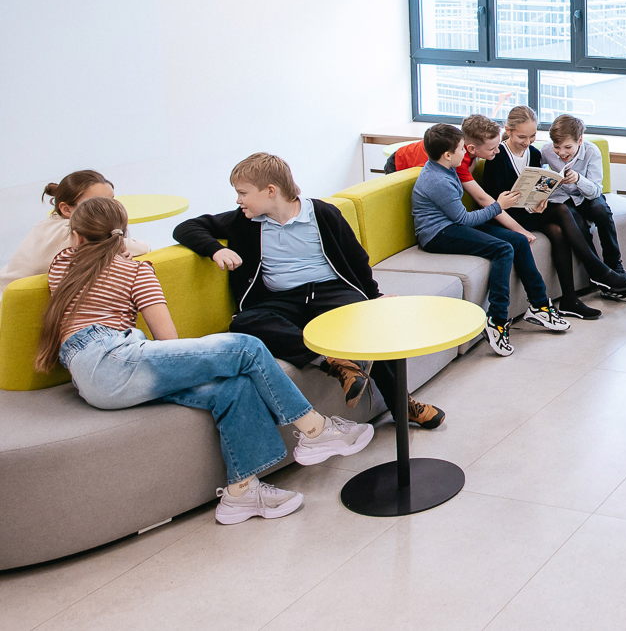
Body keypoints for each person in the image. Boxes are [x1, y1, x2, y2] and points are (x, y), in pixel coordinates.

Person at [38, 197, 374, 524]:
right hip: (113, 358)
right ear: (124, 233)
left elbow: (98, 250)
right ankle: (315, 430)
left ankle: (241, 493)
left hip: (93, 379)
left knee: (234, 388)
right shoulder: (136, 272)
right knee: (246, 347)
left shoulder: (62, 263)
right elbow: (167, 340)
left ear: (77, 237)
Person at [175, 153, 444, 430]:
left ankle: (403, 405)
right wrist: (216, 250)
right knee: (245, 322)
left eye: (243, 193)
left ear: (270, 191)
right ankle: (335, 363)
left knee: (373, 322)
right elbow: (186, 228)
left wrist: (374, 297)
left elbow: (357, 259)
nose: (238, 200)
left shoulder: (323, 214)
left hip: (330, 291)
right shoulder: (243, 220)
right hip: (279, 298)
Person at [413, 123, 569, 356]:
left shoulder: (446, 168)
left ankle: (539, 305)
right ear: (447, 155)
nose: (465, 152)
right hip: (437, 234)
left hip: (452, 225)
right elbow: (464, 219)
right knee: (502, 249)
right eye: (461, 149)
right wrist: (499, 205)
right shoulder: (438, 181)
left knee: (517, 240)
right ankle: (496, 320)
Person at [477, 106, 626, 319]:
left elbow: (535, 190)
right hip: (506, 216)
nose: (528, 141)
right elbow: (495, 202)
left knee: (558, 231)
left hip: (529, 211)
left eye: (532, 136)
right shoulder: (498, 156)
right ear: (509, 131)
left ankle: (569, 299)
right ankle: (598, 270)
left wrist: (539, 202)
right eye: (522, 136)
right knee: (561, 210)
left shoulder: (534, 154)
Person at [3, 171, 152, 288]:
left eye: (111, 200)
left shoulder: (48, 224)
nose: (109, 208)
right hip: (10, 306)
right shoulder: (67, 232)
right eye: (96, 204)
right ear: (66, 209)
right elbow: (140, 247)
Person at [542, 114, 626, 298]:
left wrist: (578, 179)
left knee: (602, 211)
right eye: (557, 147)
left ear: (579, 140)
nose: (561, 152)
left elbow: (595, 191)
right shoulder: (546, 152)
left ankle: (614, 264)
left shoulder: (592, 152)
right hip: (564, 198)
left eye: (567, 147)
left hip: (587, 195)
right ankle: (598, 273)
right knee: (576, 223)